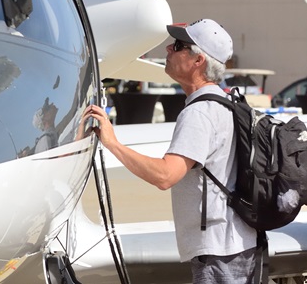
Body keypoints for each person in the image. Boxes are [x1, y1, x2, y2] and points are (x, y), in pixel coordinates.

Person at [84, 19, 258, 283]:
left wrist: (113, 144)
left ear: (198, 60)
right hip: (237, 243)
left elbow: (165, 176)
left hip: (218, 250)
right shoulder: (227, 104)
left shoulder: (200, 113)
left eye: (178, 45)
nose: (168, 49)